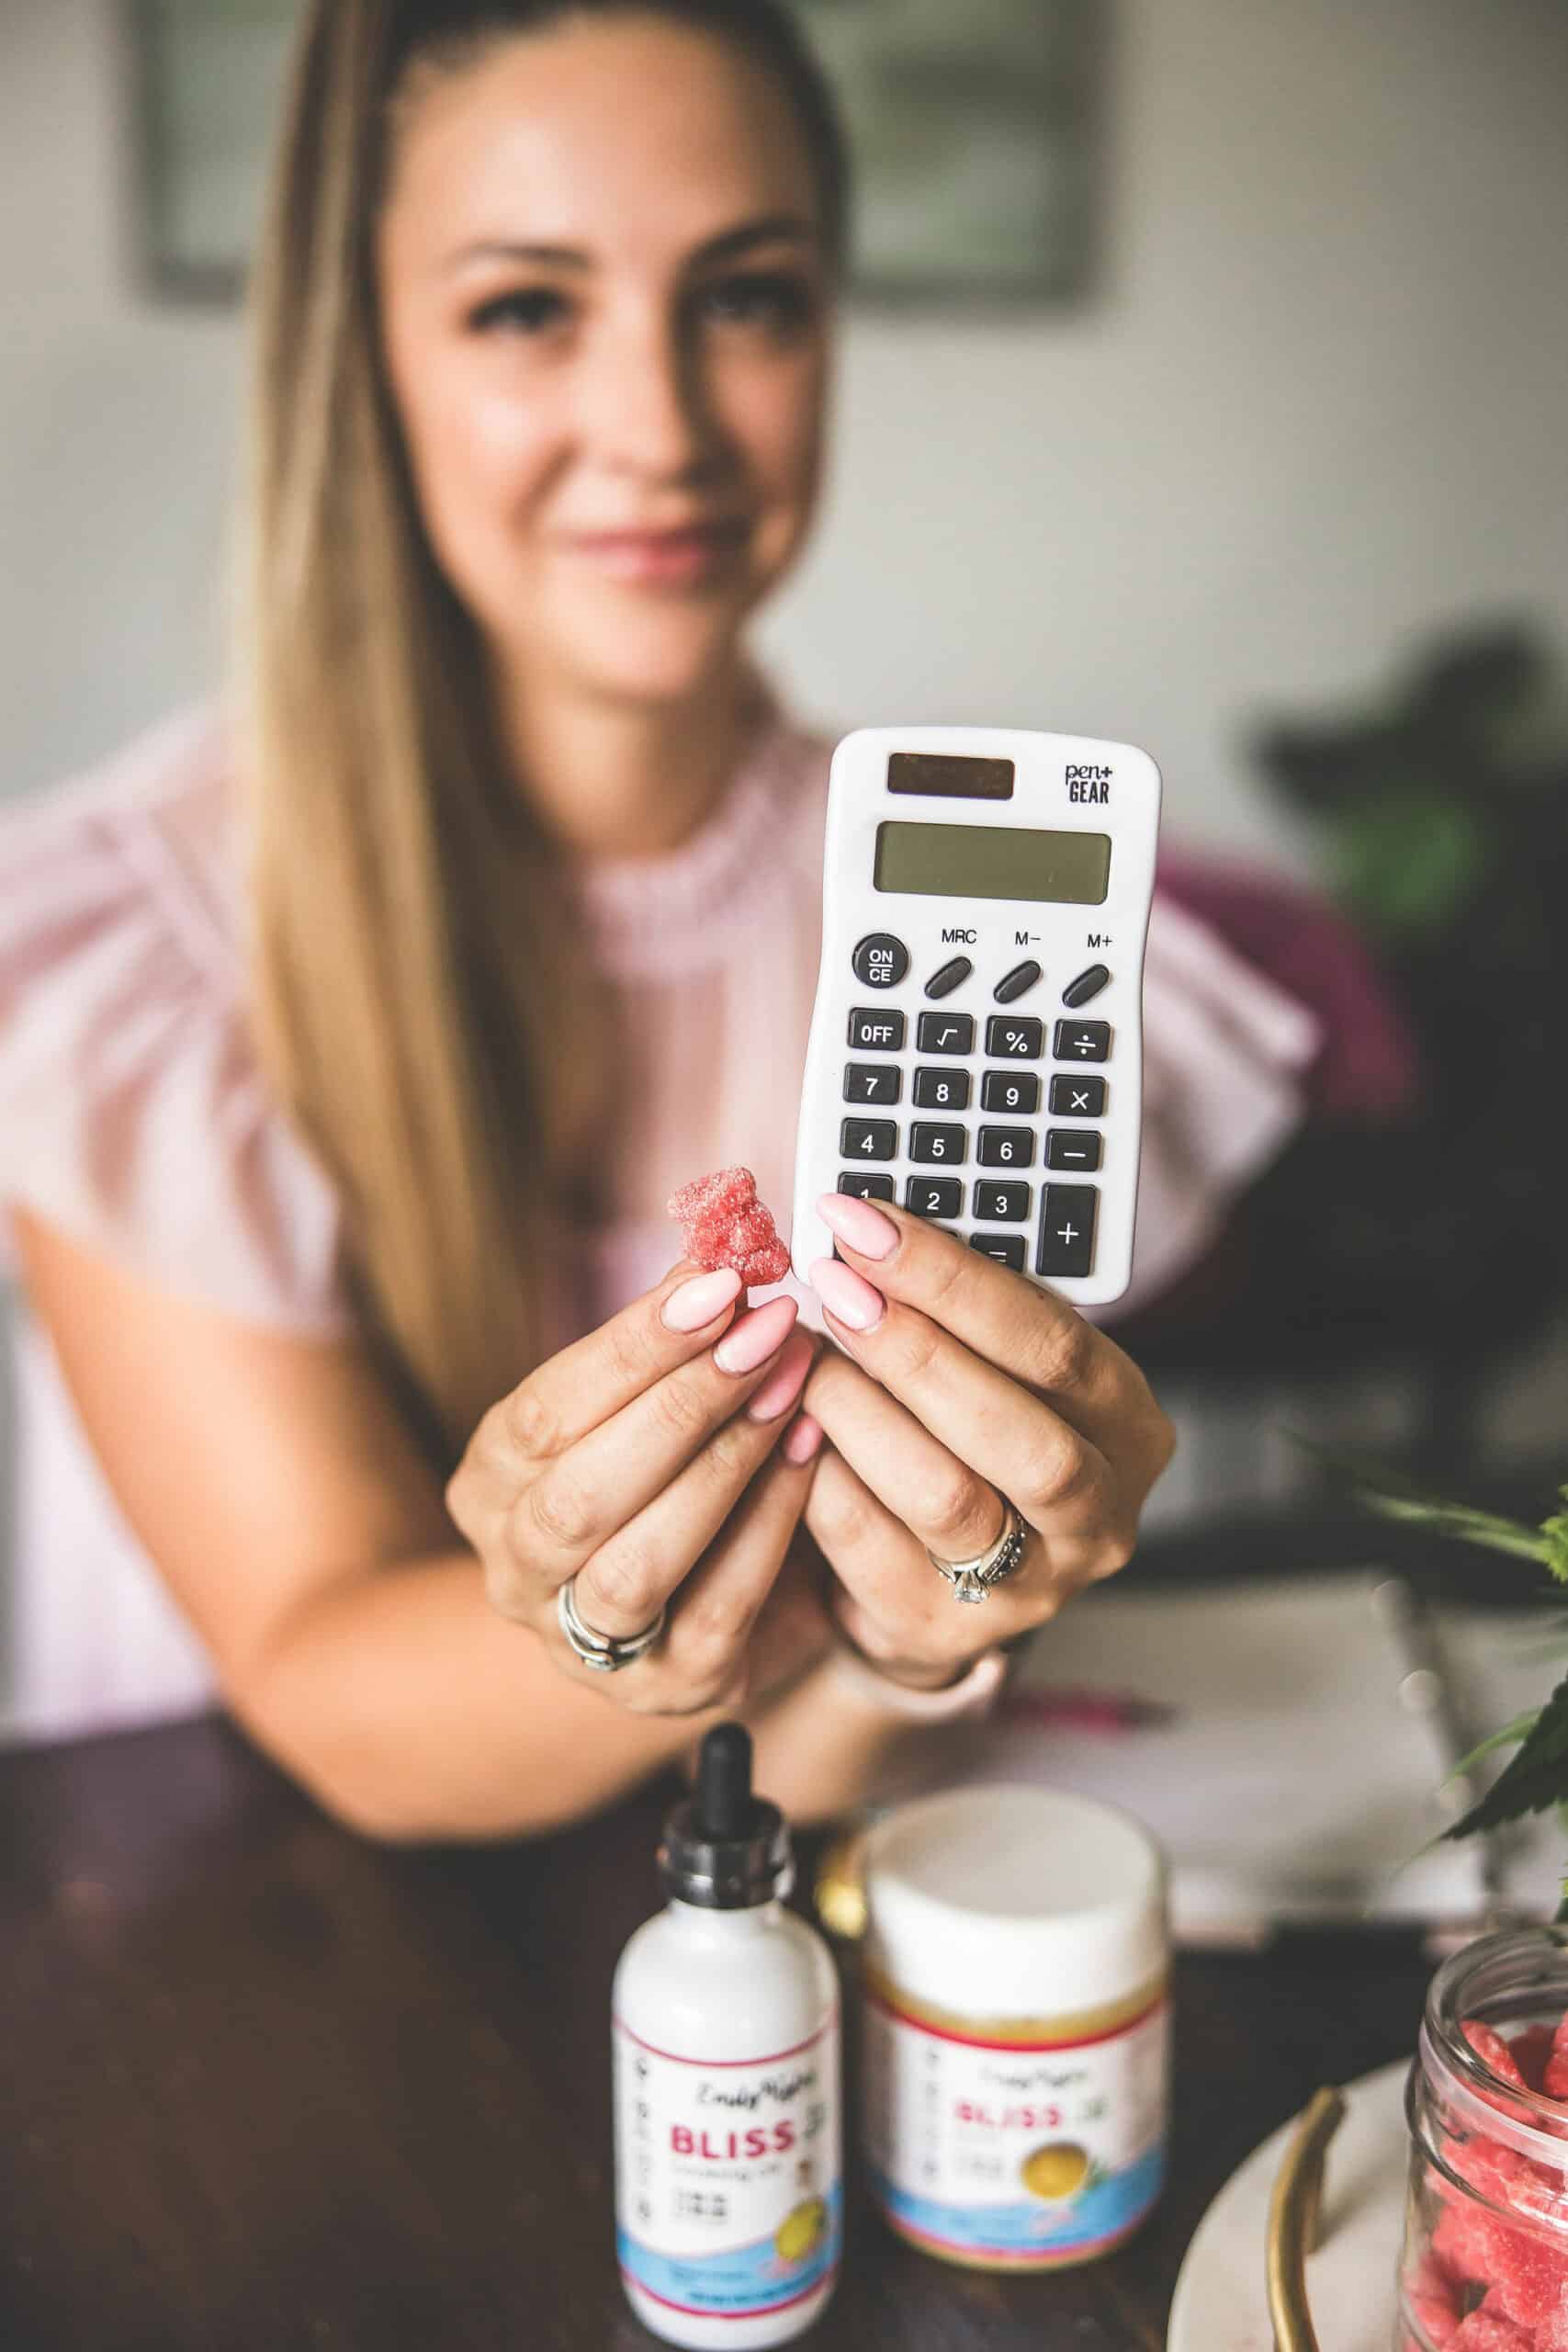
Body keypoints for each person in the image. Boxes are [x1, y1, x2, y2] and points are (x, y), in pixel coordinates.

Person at [0, 0, 1341, 1834]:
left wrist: (916, 1633)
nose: (657, 424)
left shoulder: (951, 940)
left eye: (744, 296)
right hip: (227, 1956)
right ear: (362, 352)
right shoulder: (133, 947)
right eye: (525, 307)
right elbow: (336, 1697)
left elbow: (785, 1773)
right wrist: (651, 1620)